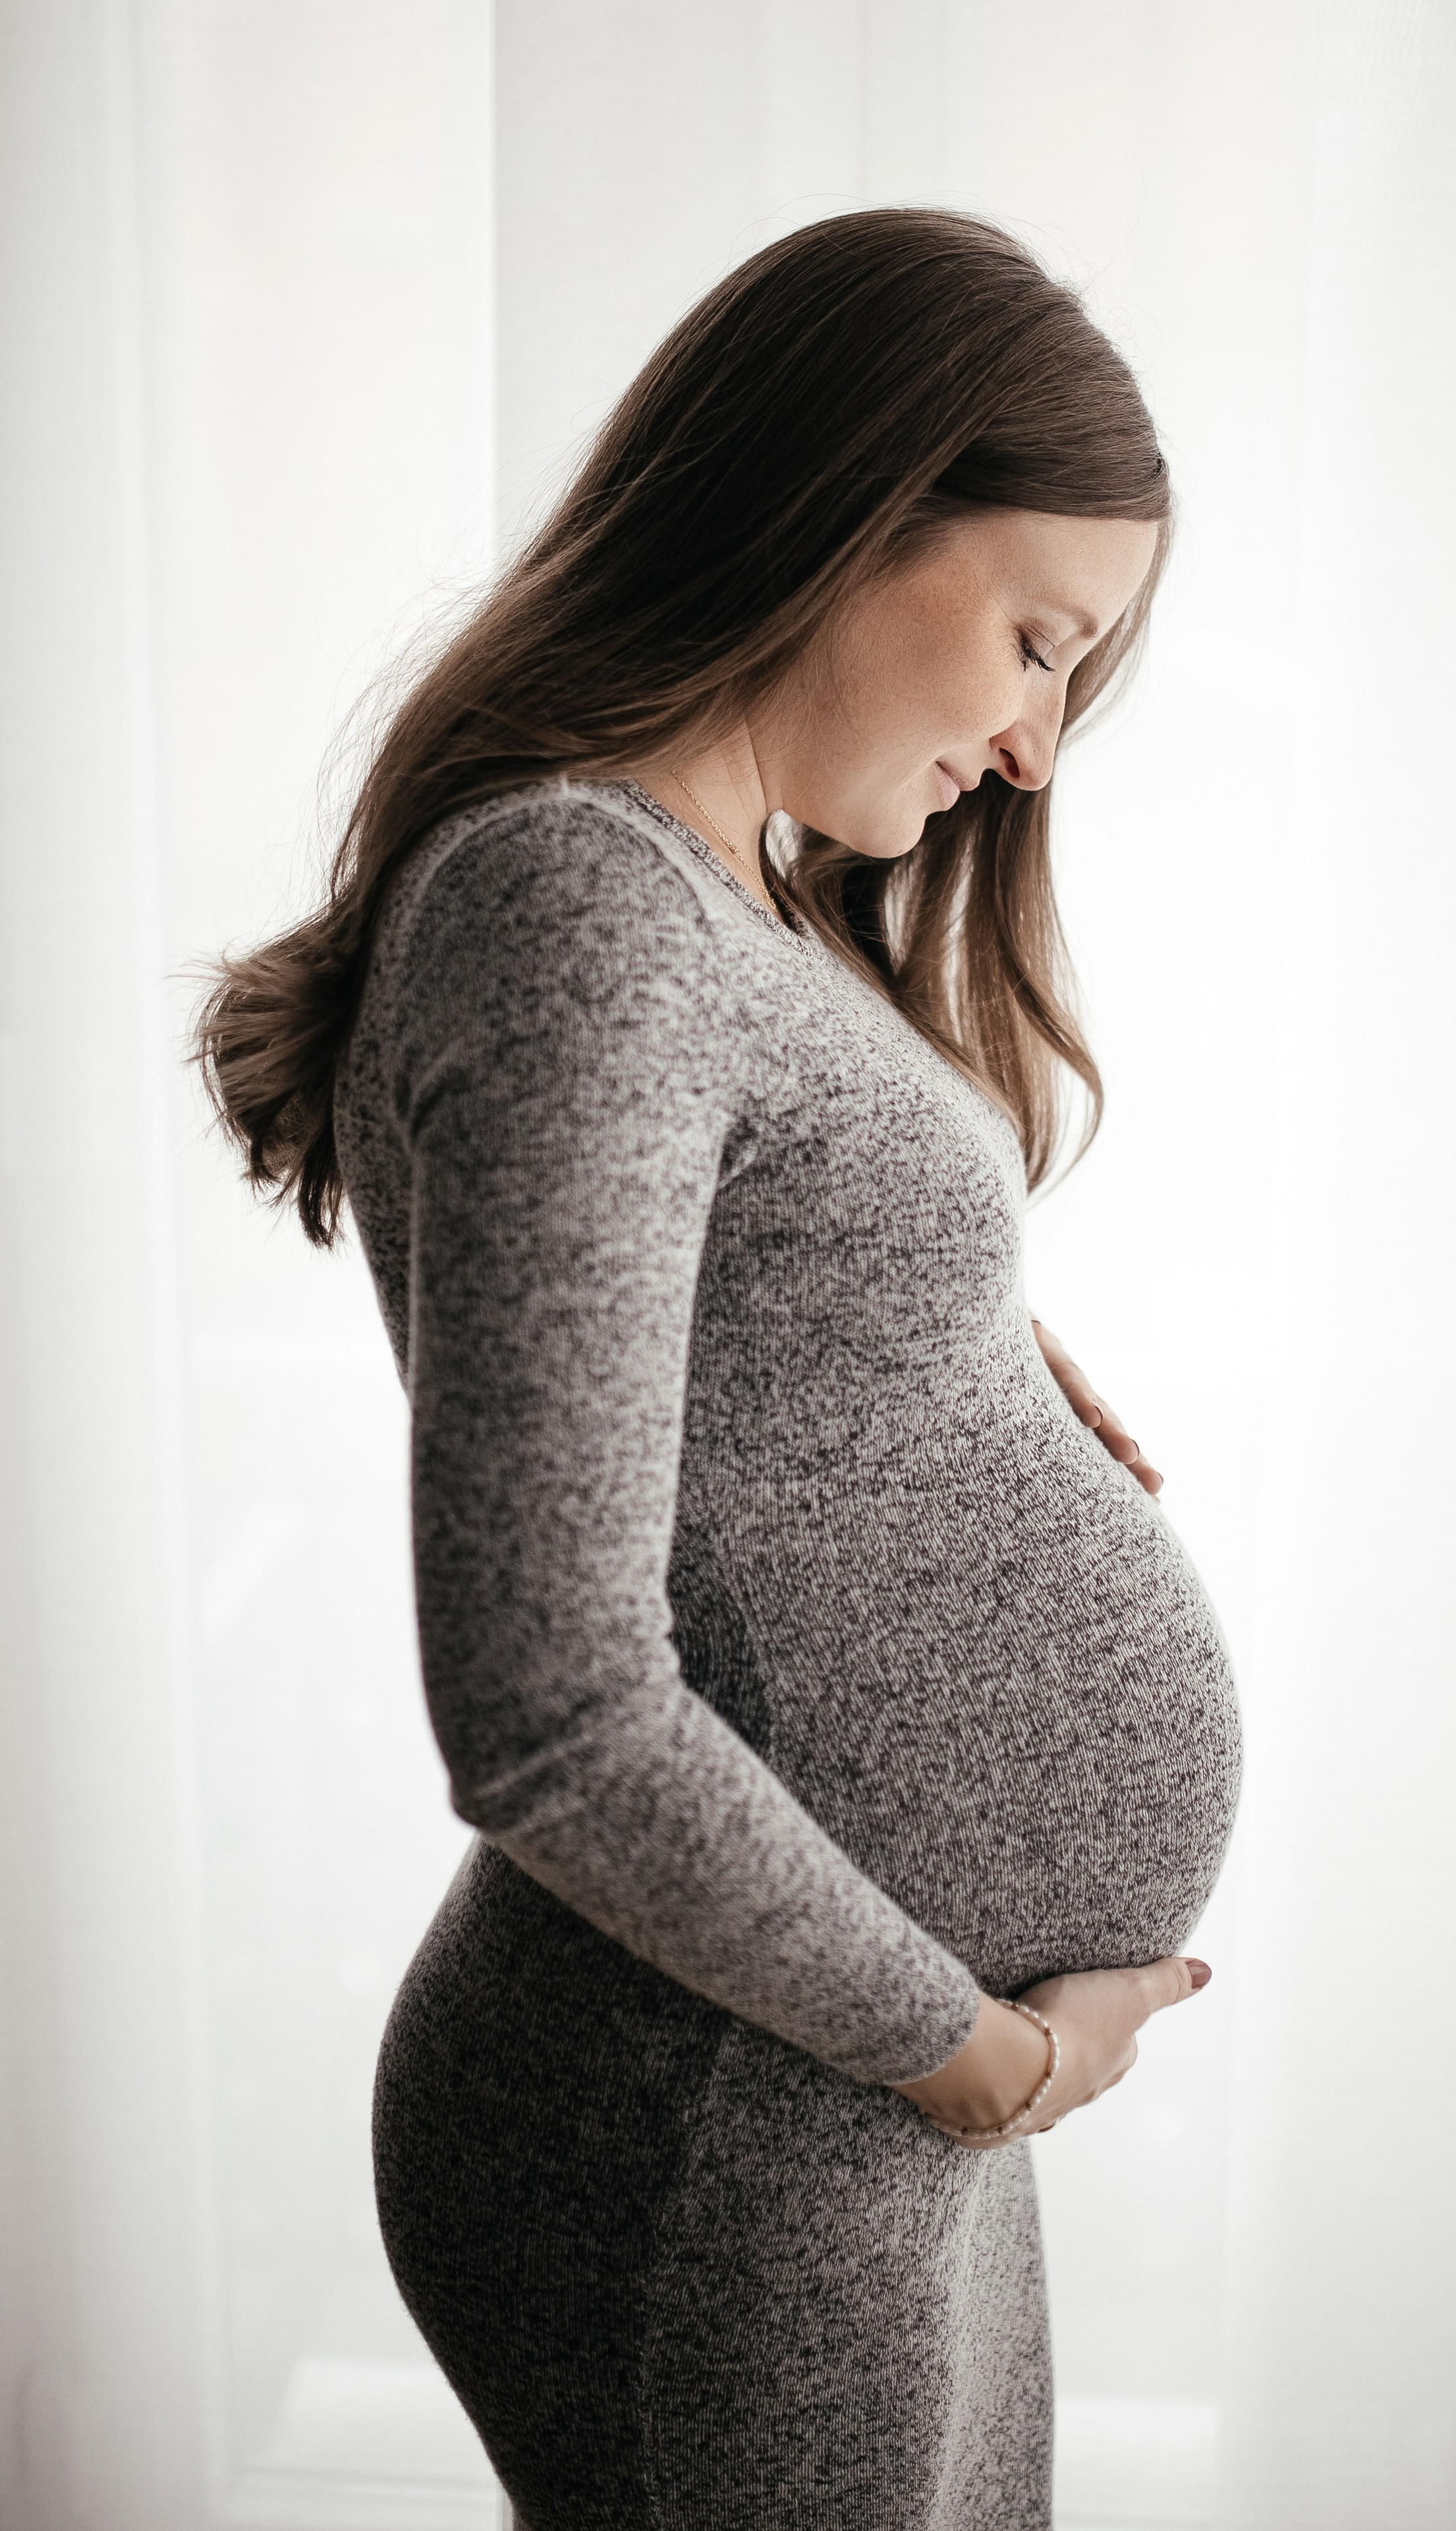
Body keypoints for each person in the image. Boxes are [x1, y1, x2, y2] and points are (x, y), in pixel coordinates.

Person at [195, 208, 1241, 2531]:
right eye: (1039, 641)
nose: (1040, 742)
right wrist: (969, 2054)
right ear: (848, 510)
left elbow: (723, 1266)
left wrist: (950, 1327)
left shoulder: (718, 893)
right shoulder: (578, 900)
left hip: (831, 2098)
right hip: (736, 2114)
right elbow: (553, 1703)